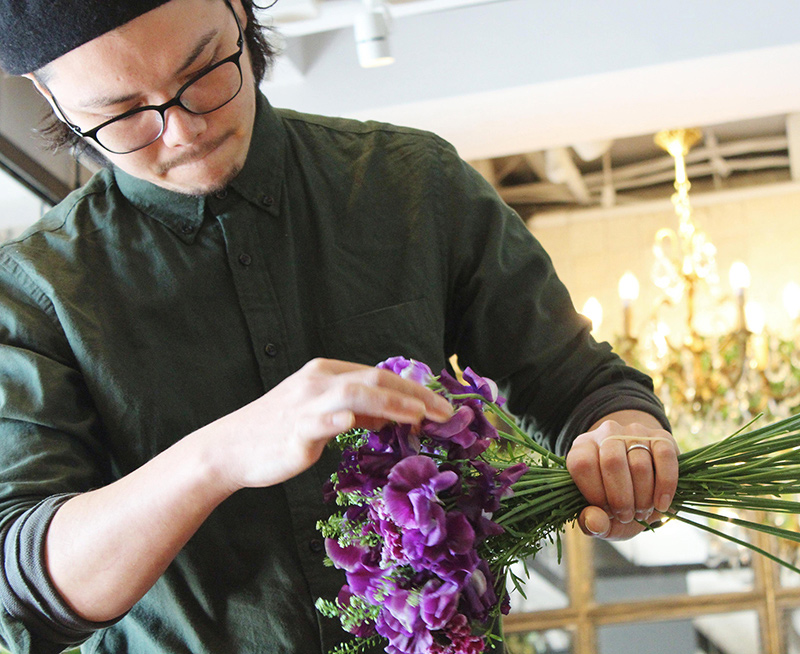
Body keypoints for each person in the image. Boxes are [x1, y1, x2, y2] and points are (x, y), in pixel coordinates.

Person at [0, 1, 679, 653]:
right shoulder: (38, 291)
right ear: (48, 95)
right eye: (121, 114)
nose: (183, 131)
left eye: (205, 72)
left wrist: (624, 440)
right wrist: (220, 455)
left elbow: (577, 386)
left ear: (239, 11)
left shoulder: (415, 186)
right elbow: (21, 588)